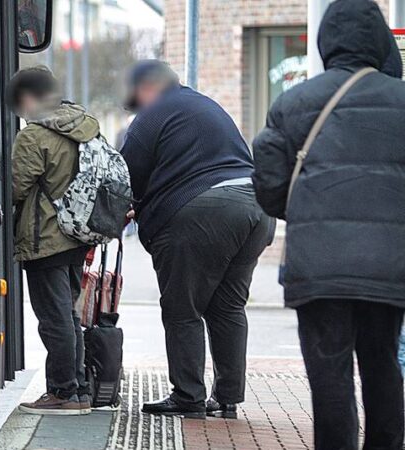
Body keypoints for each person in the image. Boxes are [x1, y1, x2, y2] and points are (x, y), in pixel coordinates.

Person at [252, 0, 405, 448]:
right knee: (382, 367)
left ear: (326, 42)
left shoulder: (293, 103)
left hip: (319, 267)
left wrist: (310, 213)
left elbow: (268, 185)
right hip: (390, 265)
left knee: (329, 375)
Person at [120, 60, 275, 419]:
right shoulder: (206, 105)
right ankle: (227, 396)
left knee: (182, 307)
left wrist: (119, 213)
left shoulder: (153, 112)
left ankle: (188, 396)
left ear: (146, 88)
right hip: (255, 207)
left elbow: (125, 175)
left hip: (204, 212)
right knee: (227, 307)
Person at [7, 66, 96, 416]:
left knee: (54, 318)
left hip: (44, 237)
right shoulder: (82, 125)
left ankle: (63, 391)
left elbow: (16, 187)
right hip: (76, 235)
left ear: (29, 97)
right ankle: (78, 389)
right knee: (68, 315)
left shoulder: (35, 136)